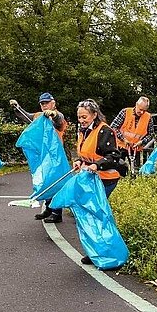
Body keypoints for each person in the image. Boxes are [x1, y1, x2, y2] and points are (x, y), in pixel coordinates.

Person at [73, 99, 121, 265]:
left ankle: (105, 251)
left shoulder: (104, 131)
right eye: (79, 117)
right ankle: (94, 251)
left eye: (84, 116)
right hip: (91, 178)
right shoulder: (82, 130)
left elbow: (114, 156)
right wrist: (79, 161)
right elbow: (85, 152)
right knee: (88, 215)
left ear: (94, 114)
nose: (81, 120)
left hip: (106, 179)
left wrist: (96, 165)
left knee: (97, 215)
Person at [31, 92, 68, 223]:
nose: (44, 106)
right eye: (42, 103)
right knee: (46, 182)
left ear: (53, 103)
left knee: (55, 184)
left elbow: (59, 120)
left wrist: (53, 114)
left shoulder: (57, 116)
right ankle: (48, 208)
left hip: (56, 157)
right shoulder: (39, 116)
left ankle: (57, 213)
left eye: (47, 103)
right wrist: (17, 107)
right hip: (44, 155)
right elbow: (26, 116)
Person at [110, 96, 155, 174]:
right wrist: (123, 139)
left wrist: (142, 142)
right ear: (136, 104)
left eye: (144, 111)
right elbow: (113, 127)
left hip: (135, 148)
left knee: (135, 171)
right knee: (118, 170)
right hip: (121, 146)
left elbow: (151, 134)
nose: (142, 112)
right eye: (140, 109)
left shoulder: (148, 117)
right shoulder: (125, 112)